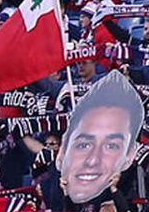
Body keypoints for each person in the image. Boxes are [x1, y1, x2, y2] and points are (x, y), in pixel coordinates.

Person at [55, 72, 143, 204]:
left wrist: (114, 192)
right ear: (63, 148)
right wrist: (66, 196)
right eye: (83, 145)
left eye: (111, 146)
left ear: (130, 155)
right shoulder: (50, 186)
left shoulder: (134, 186)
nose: (93, 160)